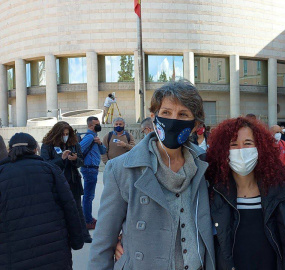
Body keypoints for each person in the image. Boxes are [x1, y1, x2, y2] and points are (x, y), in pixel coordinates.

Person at [88, 80, 215, 270]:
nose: (173, 121)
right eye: (166, 113)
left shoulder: (205, 166)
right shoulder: (122, 169)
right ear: (154, 117)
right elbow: (102, 243)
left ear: (195, 124)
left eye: (183, 114)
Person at [206, 117, 285, 270]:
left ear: (260, 147)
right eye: (233, 144)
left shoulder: (282, 189)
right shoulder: (213, 191)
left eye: (248, 143)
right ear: (223, 150)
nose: (241, 150)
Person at [0, 133, 84, 269]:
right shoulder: (50, 170)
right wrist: (77, 240)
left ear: (10, 151)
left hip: (13, 254)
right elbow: (70, 207)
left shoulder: (2, 173)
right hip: (54, 251)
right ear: (35, 149)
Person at [41, 121, 92, 243]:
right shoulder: (47, 145)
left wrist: (75, 159)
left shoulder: (74, 144)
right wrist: (61, 158)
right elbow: (45, 164)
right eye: (63, 134)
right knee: (58, 209)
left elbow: (81, 161)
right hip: (56, 182)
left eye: (67, 133)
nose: (65, 136)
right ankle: (61, 236)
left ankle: (84, 235)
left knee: (77, 209)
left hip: (73, 180)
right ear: (57, 134)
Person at [80, 116, 107, 230]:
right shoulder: (90, 136)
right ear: (91, 125)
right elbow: (79, 148)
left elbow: (103, 151)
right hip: (89, 168)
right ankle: (87, 221)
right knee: (88, 196)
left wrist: (100, 143)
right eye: (97, 123)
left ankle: (87, 217)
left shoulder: (94, 137)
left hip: (92, 168)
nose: (99, 125)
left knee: (88, 195)